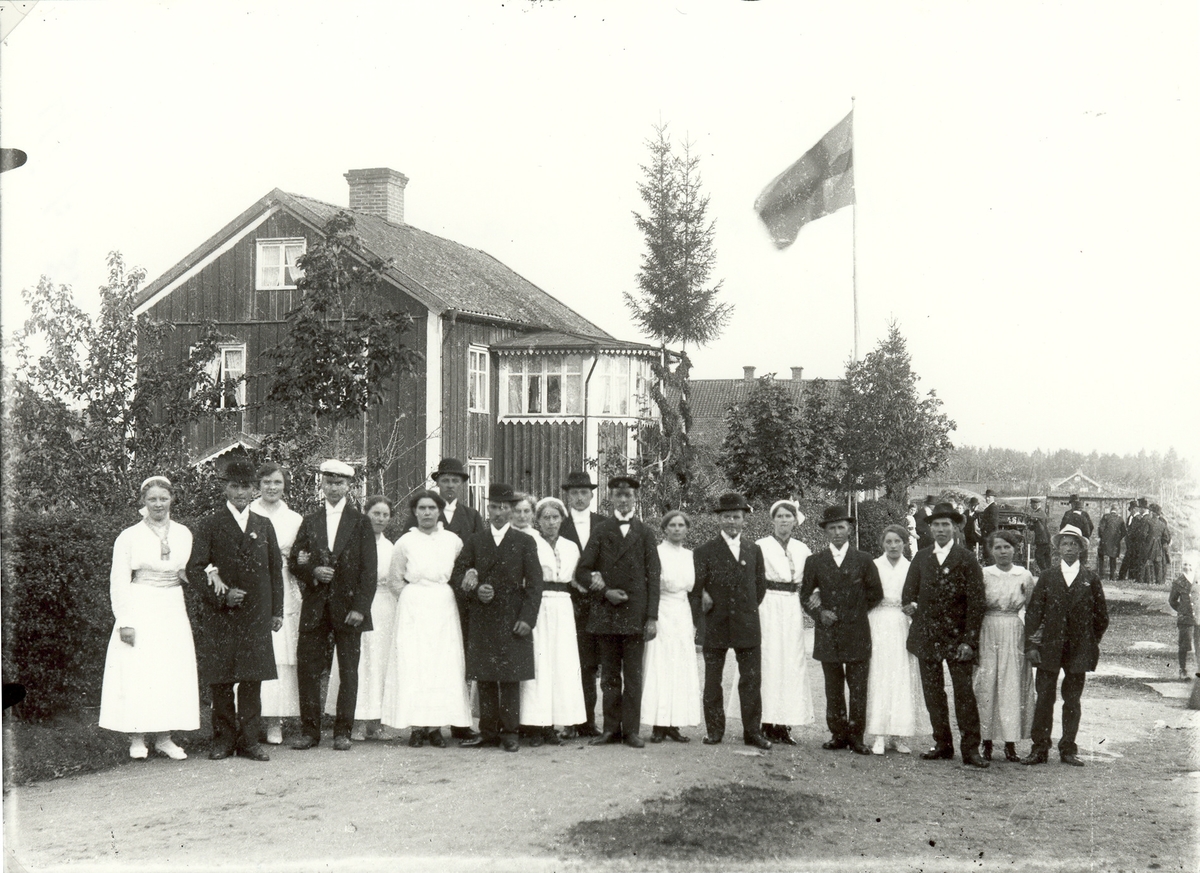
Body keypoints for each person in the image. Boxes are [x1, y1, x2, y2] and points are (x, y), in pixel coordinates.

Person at [186, 458, 284, 761]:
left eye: (245, 487)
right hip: (222, 615)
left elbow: (275, 571)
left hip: (256, 614)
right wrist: (222, 596)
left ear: (253, 489)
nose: (240, 492)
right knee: (223, 680)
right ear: (224, 489)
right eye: (234, 486)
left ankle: (250, 741)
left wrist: (276, 611)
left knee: (252, 679)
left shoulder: (263, 525)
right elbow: (195, 569)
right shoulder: (210, 524)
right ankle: (224, 740)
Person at [99, 476, 199, 761]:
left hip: (172, 604)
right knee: (140, 670)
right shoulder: (129, 536)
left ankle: (165, 738)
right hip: (141, 602)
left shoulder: (183, 533)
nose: (158, 504)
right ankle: (137, 738)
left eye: (163, 498)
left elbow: (190, 569)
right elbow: (119, 580)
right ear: (143, 501)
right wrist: (125, 620)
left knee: (169, 668)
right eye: (152, 499)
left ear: (172, 500)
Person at [290, 459, 377, 752]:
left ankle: (343, 732)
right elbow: (295, 561)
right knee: (308, 669)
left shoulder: (360, 522)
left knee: (348, 671)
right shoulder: (310, 520)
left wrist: (360, 608)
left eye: (339, 483)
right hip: (316, 606)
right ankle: (309, 733)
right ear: (322, 485)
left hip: (349, 607)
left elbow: (369, 570)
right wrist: (313, 571)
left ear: (348, 486)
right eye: (329, 482)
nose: (334, 488)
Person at [452, 483, 543, 751]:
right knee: (486, 676)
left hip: (513, 616)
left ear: (512, 511)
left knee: (511, 676)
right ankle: (488, 731)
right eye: (494, 507)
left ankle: (510, 732)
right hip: (484, 616)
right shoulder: (475, 540)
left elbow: (535, 584)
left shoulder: (525, 542)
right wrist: (475, 588)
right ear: (487, 509)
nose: (499, 513)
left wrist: (528, 618)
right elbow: (457, 574)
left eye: (504, 507)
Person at [403, 458, 486, 743]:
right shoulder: (421, 513)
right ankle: (423, 724)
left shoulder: (471, 516)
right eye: (445, 480)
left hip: (461, 601)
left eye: (455, 481)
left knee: (455, 661)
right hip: (427, 604)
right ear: (437, 483)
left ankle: (458, 722)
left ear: (462, 485)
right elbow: (407, 557)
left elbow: (479, 553)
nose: (450, 485)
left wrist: (473, 573)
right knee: (425, 660)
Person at [902, 501, 989, 769]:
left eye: (946, 525)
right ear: (930, 529)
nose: (941, 529)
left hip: (958, 639)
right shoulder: (921, 557)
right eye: (936, 525)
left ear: (955, 528)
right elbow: (908, 593)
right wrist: (911, 605)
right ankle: (942, 744)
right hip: (927, 636)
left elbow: (976, 602)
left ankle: (971, 750)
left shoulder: (966, 558)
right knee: (933, 693)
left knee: (964, 694)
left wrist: (969, 640)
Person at [576, 475, 661, 748]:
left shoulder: (645, 533)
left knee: (633, 676)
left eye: (628, 496)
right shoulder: (601, 530)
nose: (623, 500)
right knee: (610, 676)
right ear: (610, 498)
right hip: (606, 613)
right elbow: (582, 570)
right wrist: (604, 591)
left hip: (635, 615)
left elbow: (654, 577)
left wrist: (651, 617)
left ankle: (631, 731)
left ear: (636, 498)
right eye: (618, 495)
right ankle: (610, 729)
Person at [382, 491, 472, 746]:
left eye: (432, 508)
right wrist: (411, 599)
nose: (427, 513)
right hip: (413, 607)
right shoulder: (405, 542)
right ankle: (417, 727)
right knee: (415, 664)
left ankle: (435, 727)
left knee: (441, 664)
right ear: (415, 512)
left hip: (443, 605)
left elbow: (461, 571)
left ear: (439, 511)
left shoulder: (453, 541)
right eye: (422, 508)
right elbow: (394, 579)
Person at [1022, 525, 1109, 767]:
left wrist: (1089, 642)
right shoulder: (1048, 577)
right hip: (1049, 648)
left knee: (1072, 700)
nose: (1069, 548)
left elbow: (1101, 617)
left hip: (1078, 650)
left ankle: (1068, 749)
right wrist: (1032, 645)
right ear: (1058, 548)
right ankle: (1039, 748)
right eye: (1064, 544)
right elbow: (1034, 613)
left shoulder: (1091, 579)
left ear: (1081, 548)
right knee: (1044, 698)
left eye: (1073, 544)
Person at [800, 504, 883, 756]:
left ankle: (857, 737)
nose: (837, 532)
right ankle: (837, 734)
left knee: (858, 688)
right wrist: (819, 613)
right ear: (825, 532)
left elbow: (875, 593)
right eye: (832, 528)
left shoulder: (864, 560)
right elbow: (805, 595)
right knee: (833, 687)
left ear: (849, 529)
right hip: (829, 632)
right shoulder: (815, 561)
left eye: (841, 527)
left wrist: (854, 612)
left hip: (857, 632)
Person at [692, 493, 771, 749]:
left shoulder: (754, 550)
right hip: (715, 623)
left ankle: (753, 732)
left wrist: (745, 609)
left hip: (747, 624)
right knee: (713, 680)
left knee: (751, 680)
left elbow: (759, 587)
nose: (732, 522)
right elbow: (696, 589)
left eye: (736, 517)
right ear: (719, 519)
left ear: (744, 519)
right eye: (727, 517)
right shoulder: (704, 551)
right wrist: (705, 598)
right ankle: (715, 731)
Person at [325, 496, 396, 741]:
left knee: (379, 663)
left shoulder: (390, 547)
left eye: (385, 515)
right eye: (376, 513)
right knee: (358, 662)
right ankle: (355, 720)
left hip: (384, 608)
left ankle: (376, 722)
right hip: (357, 604)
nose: (380, 519)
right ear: (366, 514)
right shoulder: (351, 540)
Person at [519, 497, 586, 745]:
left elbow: (577, 578)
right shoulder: (530, 542)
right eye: (545, 517)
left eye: (555, 517)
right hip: (539, 603)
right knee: (540, 663)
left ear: (562, 520)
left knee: (561, 663)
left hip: (563, 606)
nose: (550, 522)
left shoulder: (571, 547)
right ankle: (535, 726)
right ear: (537, 520)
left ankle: (553, 725)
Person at [249, 463, 304, 746]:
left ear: (285, 486)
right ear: (258, 485)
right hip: (254, 586)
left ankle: (275, 722)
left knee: (281, 654)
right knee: (253, 651)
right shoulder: (247, 513)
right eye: (266, 482)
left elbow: (301, 557)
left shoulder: (294, 519)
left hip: (284, 585)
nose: (271, 487)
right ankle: (249, 720)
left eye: (277, 482)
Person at [753, 500, 814, 745]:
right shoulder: (761, 546)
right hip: (767, 604)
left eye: (788, 516)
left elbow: (810, 581)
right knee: (768, 659)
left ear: (795, 521)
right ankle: (765, 721)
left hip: (791, 606)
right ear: (772, 520)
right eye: (779, 516)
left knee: (791, 661)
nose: (784, 520)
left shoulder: (803, 549)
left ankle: (784, 723)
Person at [972, 530, 1035, 762]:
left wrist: (1030, 640)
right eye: (997, 547)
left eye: (1007, 547)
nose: (1002, 552)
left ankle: (1010, 743)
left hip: (1013, 631)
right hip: (988, 630)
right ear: (991, 551)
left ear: (1015, 549)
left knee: (1011, 684)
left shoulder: (1024, 575)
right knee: (987, 684)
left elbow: (1031, 608)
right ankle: (986, 742)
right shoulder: (984, 574)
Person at [641, 510, 702, 743]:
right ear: (664, 529)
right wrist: (651, 618)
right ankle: (658, 724)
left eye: (681, 525)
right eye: (672, 525)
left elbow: (694, 590)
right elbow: (651, 586)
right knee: (660, 665)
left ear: (687, 529)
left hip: (682, 614)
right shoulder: (656, 553)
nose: (677, 529)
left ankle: (674, 724)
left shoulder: (690, 555)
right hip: (662, 611)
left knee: (680, 666)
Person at [865, 524, 926, 756]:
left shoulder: (911, 567)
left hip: (902, 624)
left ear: (905, 543)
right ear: (882, 544)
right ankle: (879, 734)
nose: (893, 546)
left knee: (901, 676)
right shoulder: (873, 566)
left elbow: (920, 595)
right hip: (878, 622)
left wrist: (914, 606)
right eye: (888, 542)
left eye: (897, 541)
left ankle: (898, 735)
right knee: (880, 674)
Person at [558, 471, 607, 738]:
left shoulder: (603, 523)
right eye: (574, 493)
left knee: (591, 665)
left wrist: (603, 578)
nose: (579, 497)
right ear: (567, 496)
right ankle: (569, 721)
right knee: (570, 663)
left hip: (600, 602)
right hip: (569, 603)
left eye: (584, 492)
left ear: (591, 495)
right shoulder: (558, 523)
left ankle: (588, 722)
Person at [1168, 551, 1200, 679]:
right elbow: (1172, 600)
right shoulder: (1178, 582)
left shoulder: (1198, 579)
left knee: (1199, 645)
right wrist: (1182, 610)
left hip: (1198, 617)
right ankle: (1182, 669)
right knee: (1184, 644)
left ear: (1196, 565)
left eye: (1190, 565)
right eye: (1185, 564)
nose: (1188, 567)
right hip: (1185, 619)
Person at [1096, 503, 1126, 582]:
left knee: (1101, 557)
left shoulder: (1105, 517)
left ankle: (1101, 575)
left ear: (1111, 509)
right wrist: (1118, 538)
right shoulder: (1120, 519)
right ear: (1117, 510)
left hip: (1104, 542)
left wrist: (1102, 537)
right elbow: (1124, 532)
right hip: (1115, 542)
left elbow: (1100, 528)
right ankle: (1112, 577)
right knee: (1113, 559)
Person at [1027, 498, 1052, 575]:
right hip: (1044, 539)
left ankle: (1044, 573)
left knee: (1039, 556)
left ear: (1036, 504)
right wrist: (1029, 526)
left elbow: (1031, 516)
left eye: (1032, 504)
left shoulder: (1040, 513)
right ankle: (1048, 574)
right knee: (1046, 558)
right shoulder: (1038, 513)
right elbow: (1035, 525)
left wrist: (1026, 517)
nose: (1031, 506)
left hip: (1043, 539)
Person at [1118, 500, 1141, 581]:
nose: (1130, 512)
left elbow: (1134, 532)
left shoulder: (1138, 519)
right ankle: (1128, 577)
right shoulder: (1130, 518)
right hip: (1130, 543)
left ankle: (1123, 577)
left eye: (1131, 510)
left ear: (1134, 509)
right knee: (1130, 560)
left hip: (1134, 544)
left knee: (1128, 560)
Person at [979, 490, 999, 565]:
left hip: (989, 535)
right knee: (988, 555)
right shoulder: (990, 507)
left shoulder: (993, 508)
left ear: (993, 497)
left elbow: (993, 523)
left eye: (989, 497)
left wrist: (985, 529)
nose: (987, 498)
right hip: (988, 535)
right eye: (986, 497)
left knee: (990, 555)